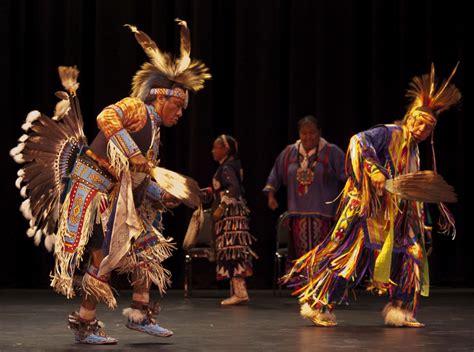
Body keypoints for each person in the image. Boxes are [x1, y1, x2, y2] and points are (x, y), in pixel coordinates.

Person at [11, 20, 210, 344]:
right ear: (162, 97)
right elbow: (105, 117)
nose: (181, 112)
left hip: (120, 196)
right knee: (104, 256)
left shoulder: (155, 134)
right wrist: (132, 153)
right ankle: (85, 323)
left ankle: (141, 313)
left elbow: (141, 176)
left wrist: (170, 195)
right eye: (179, 105)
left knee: (144, 249)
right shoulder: (137, 108)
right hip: (94, 190)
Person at [283, 64, 461, 328]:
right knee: (350, 259)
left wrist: (421, 221)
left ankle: (400, 311)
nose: (423, 130)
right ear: (411, 118)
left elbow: (412, 190)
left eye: (429, 128)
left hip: (398, 217)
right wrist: (375, 172)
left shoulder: (414, 152)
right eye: (420, 123)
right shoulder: (390, 132)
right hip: (370, 210)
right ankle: (319, 305)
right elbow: (358, 142)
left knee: (412, 256)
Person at [263, 116, 346, 287]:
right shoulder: (289, 152)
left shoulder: (331, 152)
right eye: (304, 133)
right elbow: (275, 174)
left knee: (323, 252)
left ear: (319, 133)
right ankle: (304, 287)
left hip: (324, 215)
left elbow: (347, 175)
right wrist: (271, 196)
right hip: (298, 214)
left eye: (312, 133)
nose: (308, 137)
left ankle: (323, 287)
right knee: (301, 253)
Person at [201, 135, 257, 305]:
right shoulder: (229, 165)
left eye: (215, 147)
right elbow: (227, 187)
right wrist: (211, 192)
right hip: (233, 214)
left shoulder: (226, 167)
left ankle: (240, 293)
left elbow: (234, 188)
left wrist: (221, 207)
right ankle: (239, 291)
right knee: (232, 251)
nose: (212, 150)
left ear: (225, 149)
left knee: (233, 251)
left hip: (231, 216)